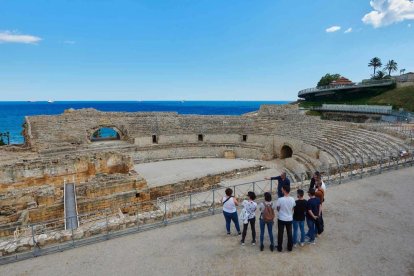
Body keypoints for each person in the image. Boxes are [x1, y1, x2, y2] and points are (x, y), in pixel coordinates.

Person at [276, 185, 296, 252]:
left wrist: (281, 211)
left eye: (282, 189)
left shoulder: (280, 199)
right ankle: (290, 247)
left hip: (281, 218)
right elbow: (293, 208)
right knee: (289, 233)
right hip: (289, 218)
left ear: (284, 190)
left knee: (280, 233)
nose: (281, 190)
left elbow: (278, 208)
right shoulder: (292, 199)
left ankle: (279, 248)